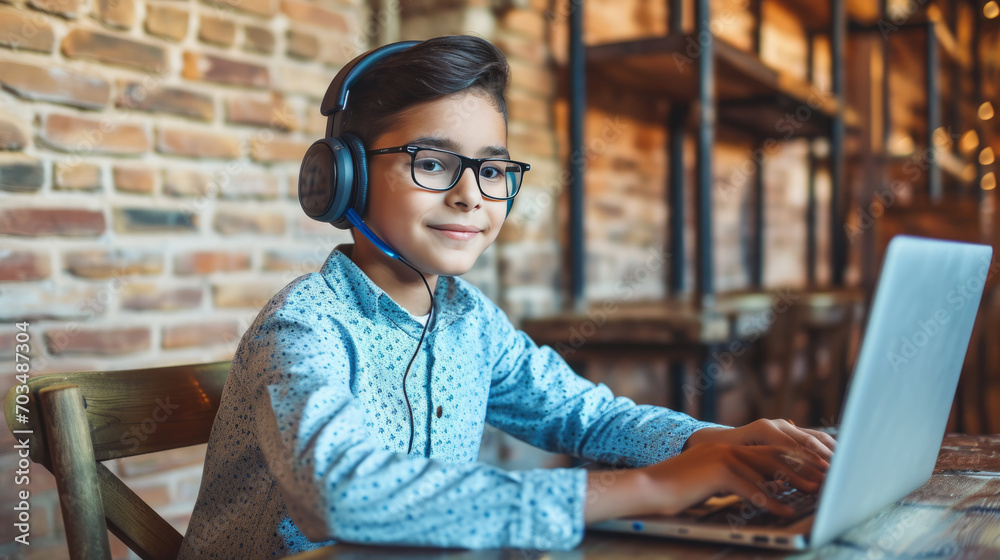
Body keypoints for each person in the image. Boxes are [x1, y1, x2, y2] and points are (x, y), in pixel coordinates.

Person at [178, 35, 835, 559]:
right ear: (340, 177)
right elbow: (336, 497)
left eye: (492, 170)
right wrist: (651, 488)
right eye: (432, 162)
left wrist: (719, 444)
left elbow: (590, 420)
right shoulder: (303, 326)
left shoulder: (469, 321)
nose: (471, 195)